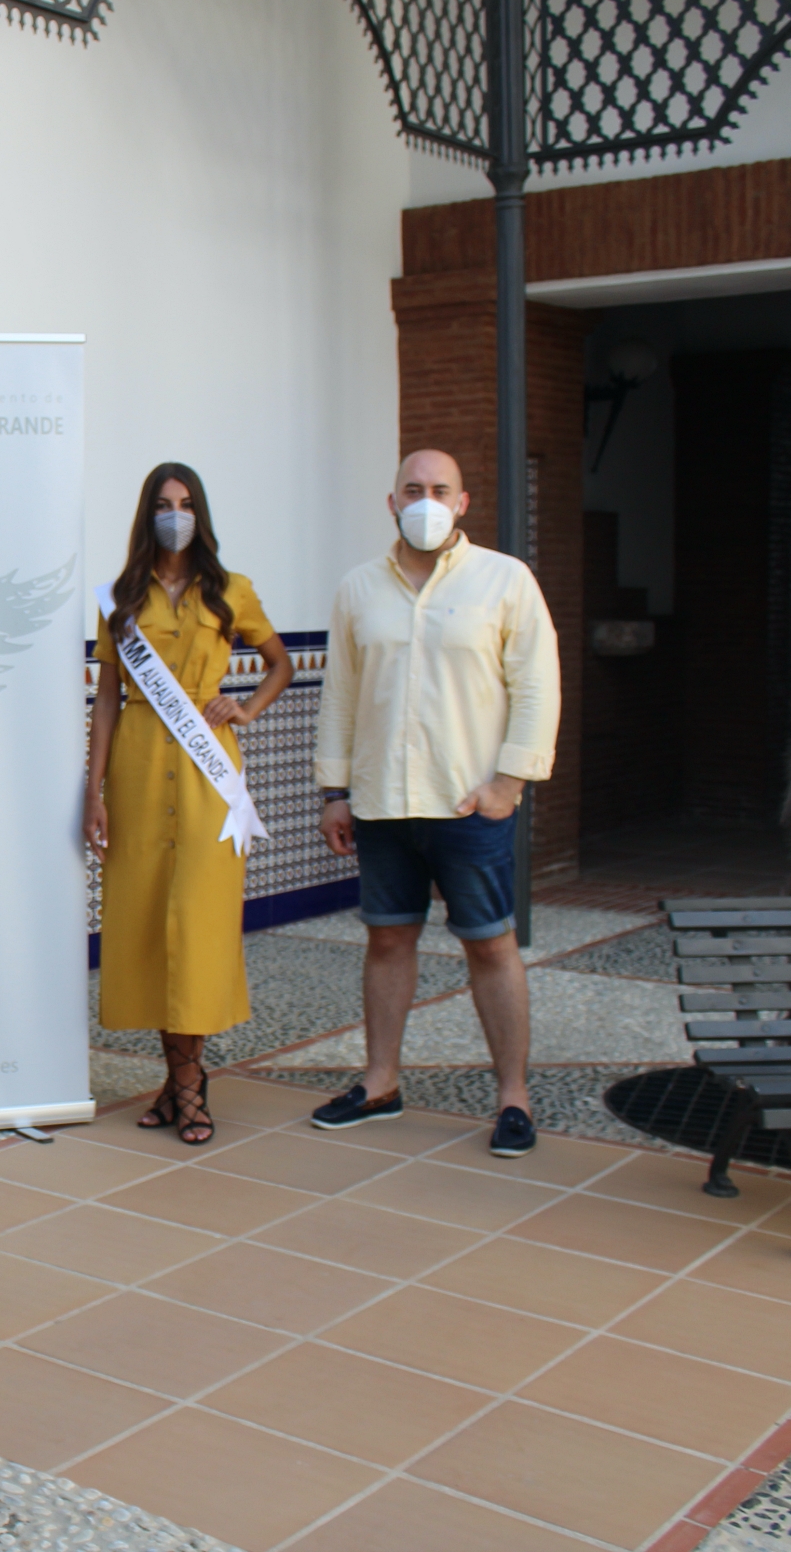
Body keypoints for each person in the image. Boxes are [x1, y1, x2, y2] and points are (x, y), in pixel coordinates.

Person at [307, 448, 560, 1157]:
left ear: (463, 500)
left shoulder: (505, 581)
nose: (426, 500)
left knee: (490, 944)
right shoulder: (359, 588)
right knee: (387, 939)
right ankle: (380, 1082)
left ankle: (513, 1095)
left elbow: (538, 685)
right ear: (391, 501)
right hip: (383, 803)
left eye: (439, 489)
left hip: (468, 803)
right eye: (412, 489)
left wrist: (508, 782)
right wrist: (335, 791)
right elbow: (342, 696)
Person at [84, 464, 293, 1143]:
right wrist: (95, 789)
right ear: (147, 515)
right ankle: (180, 1083)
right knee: (146, 927)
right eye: (164, 505)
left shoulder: (231, 590)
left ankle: (188, 1085)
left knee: (197, 930)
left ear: (201, 514)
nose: (176, 515)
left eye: (187, 504)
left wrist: (248, 706)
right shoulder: (120, 596)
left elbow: (280, 662)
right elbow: (108, 696)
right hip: (139, 777)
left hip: (209, 782)